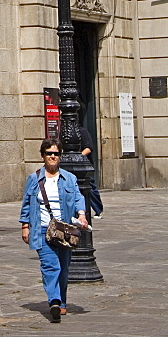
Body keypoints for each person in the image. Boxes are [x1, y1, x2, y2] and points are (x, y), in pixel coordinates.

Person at [20, 138, 89, 322]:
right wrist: (25, 226)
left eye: (56, 153)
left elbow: (77, 199)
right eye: (49, 153)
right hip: (42, 229)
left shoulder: (69, 178)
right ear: (43, 156)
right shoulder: (34, 178)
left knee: (64, 269)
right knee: (51, 266)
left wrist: (81, 215)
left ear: (60, 156)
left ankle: (62, 302)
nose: (52, 156)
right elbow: (27, 203)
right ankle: (54, 302)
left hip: (64, 230)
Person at [79, 126, 103, 217]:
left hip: (85, 166)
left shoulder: (82, 131)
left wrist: (78, 157)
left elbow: (88, 148)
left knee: (91, 188)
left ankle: (98, 210)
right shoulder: (65, 132)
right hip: (72, 165)